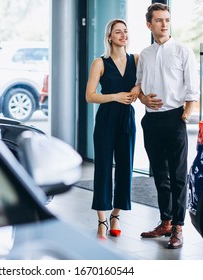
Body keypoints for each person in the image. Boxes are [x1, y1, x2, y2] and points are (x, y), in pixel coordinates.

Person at [136, 3, 199, 249]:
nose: (164, 24)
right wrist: (143, 99)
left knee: (178, 176)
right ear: (149, 24)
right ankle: (165, 221)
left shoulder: (183, 51)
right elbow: (139, 86)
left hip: (175, 118)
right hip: (151, 120)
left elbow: (192, 88)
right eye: (159, 20)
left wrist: (185, 114)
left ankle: (178, 228)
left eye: (167, 20)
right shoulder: (145, 54)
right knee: (160, 175)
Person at [86, 19, 140, 240]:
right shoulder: (100, 62)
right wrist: (116, 96)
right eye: (118, 32)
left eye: (126, 31)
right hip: (107, 118)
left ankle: (116, 215)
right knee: (104, 169)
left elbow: (144, 81)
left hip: (127, 118)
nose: (123, 35)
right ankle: (101, 221)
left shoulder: (136, 59)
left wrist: (137, 87)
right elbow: (90, 96)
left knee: (125, 168)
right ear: (110, 36)